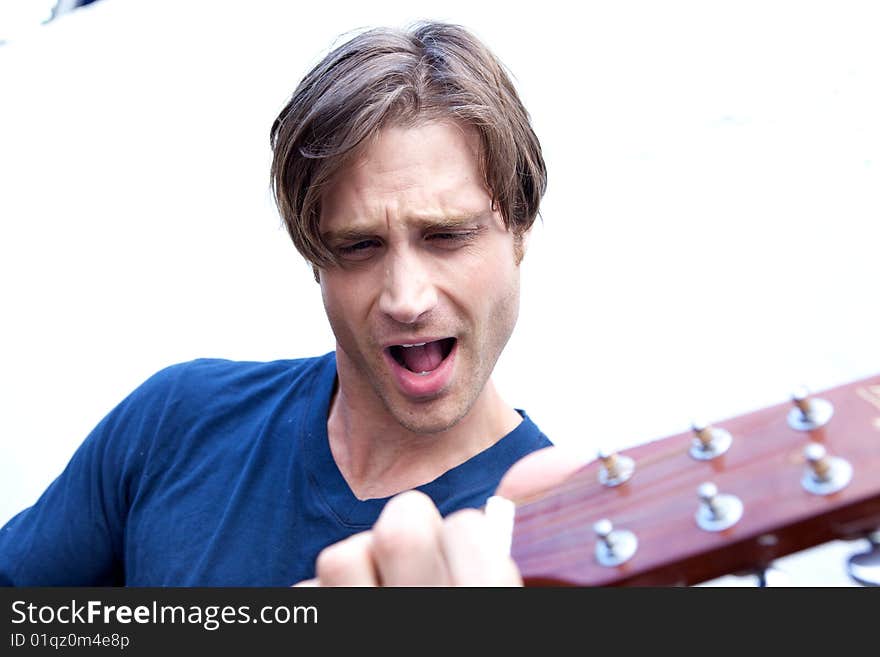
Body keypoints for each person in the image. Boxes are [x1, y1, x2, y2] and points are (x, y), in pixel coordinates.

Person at [0, 21, 582, 587]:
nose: (407, 299)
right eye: (359, 246)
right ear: (313, 255)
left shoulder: (557, 538)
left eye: (447, 235)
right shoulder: (175, 422)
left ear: (522, 229)